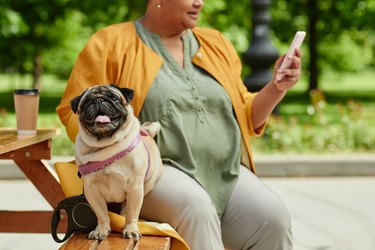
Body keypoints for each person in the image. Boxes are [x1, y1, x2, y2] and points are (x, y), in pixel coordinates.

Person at [56, 0, 302, 249]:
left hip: (223, 170)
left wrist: (277, 87)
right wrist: (114, 142)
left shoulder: (216, 42)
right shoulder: (110, 43)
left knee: (273, 217)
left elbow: (246, 116)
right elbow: (72, 111)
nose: (200, 2)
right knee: (196, 208)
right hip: (153, 171)